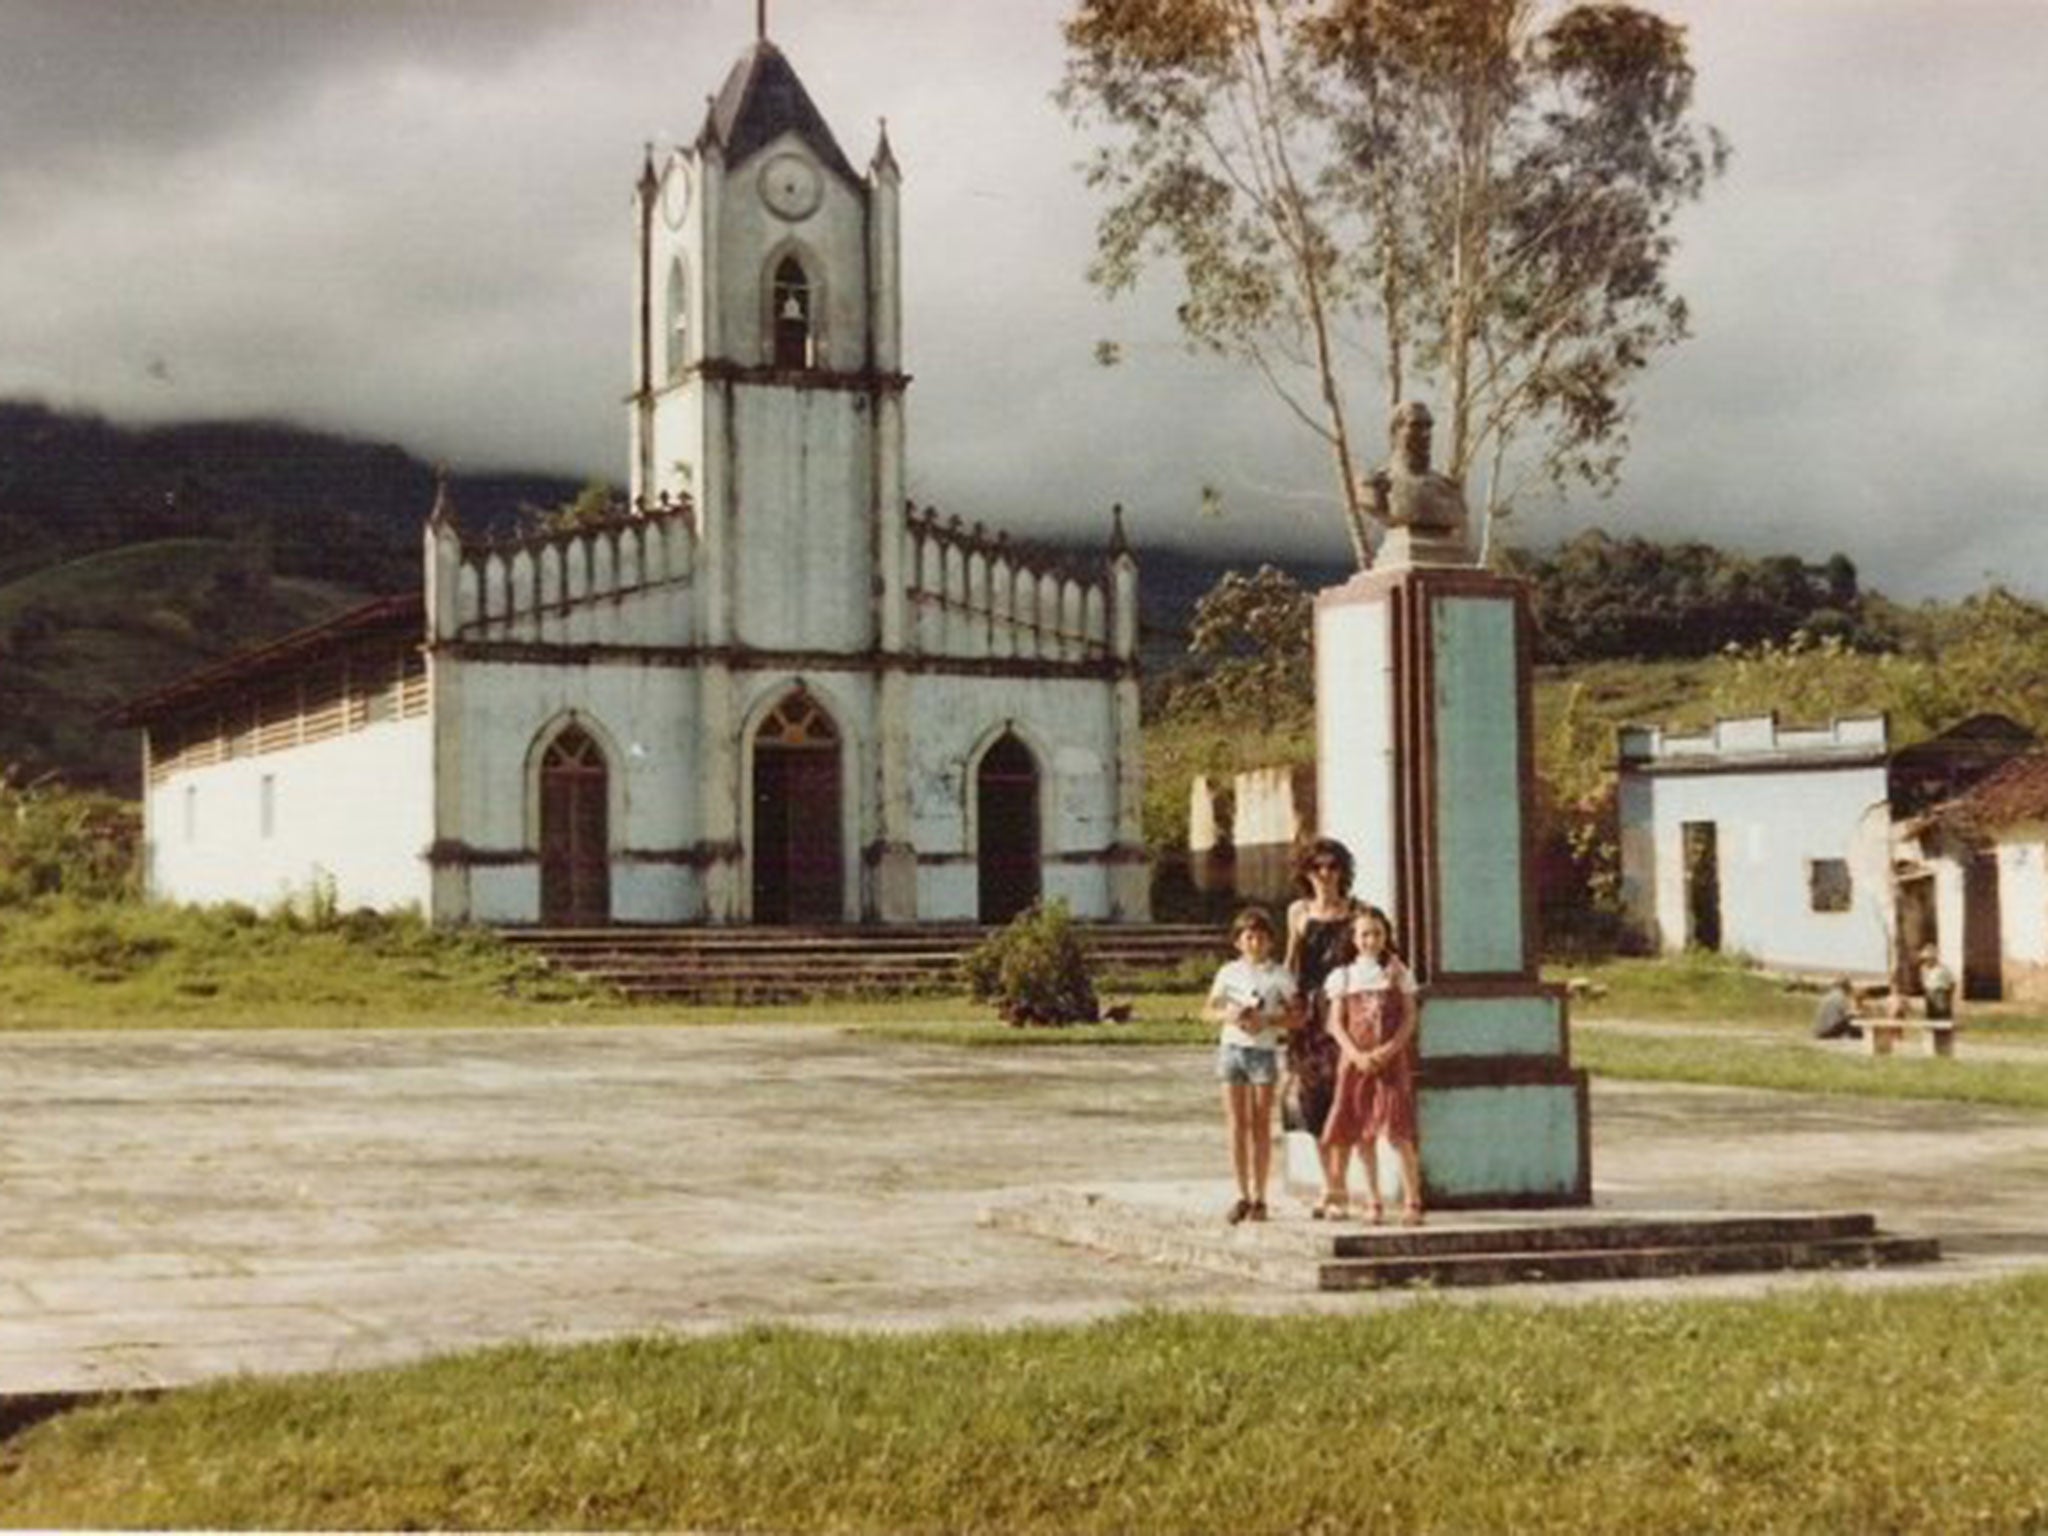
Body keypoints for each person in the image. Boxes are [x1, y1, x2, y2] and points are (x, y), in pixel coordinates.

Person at [1320, 906, 1424, 1225]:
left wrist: (1390, 1049)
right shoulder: (1344, 976)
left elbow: (1409, 1017)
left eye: (1377, 933)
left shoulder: (1397, 972)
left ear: (1386, 936)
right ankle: (1373, 1198)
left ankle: (1412, 1199)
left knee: (1398, 1131)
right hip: (1356, 1063)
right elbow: (1335, 1023)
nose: (1371, 940)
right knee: (1362, 1131)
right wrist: (1356, 1054)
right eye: (1364, 934)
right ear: (1354, 938)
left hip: (1391, 1062)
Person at [1204, 907, 1299, 1224]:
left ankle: (1260, 1196)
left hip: (1262, 1051)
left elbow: (1297, 1016)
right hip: (1232, 1049)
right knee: (1236, 1124)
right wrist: (1228, 1015)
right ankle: (1241, 1193)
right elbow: (1209, 1010)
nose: (1255, 943)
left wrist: (1268, 1019)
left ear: (1271, 941)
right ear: (1238, 942)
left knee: (1260, 1124)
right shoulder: (1228, 972)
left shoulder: (1278, 975)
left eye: (1261, 937)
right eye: (1249, 937)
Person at [1284, 836, 1359, 1217]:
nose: (1326, 874)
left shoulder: (1356, 912)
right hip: (1309, 1017)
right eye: (1318, 867)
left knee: (1341, 1099)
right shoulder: (1298, 912)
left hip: (1344, 1015)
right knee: (1312, 1101)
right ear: (1307, 873)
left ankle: (1340, 1186)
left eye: (1332, 867)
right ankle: (1327, 1184)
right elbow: (1291, 965)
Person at [1919, 945, 1957, 1022]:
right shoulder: (1923, 969)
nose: (1927, 961)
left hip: (1940, 993)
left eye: (1929, 959)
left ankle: (1944, 1032)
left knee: (1942, 1015)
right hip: (1929, 993)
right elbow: (1924, 981)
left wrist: (1948, 995)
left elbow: (1952, 982)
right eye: (1925, 959)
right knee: (1931, 1016)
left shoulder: (1943, 969)